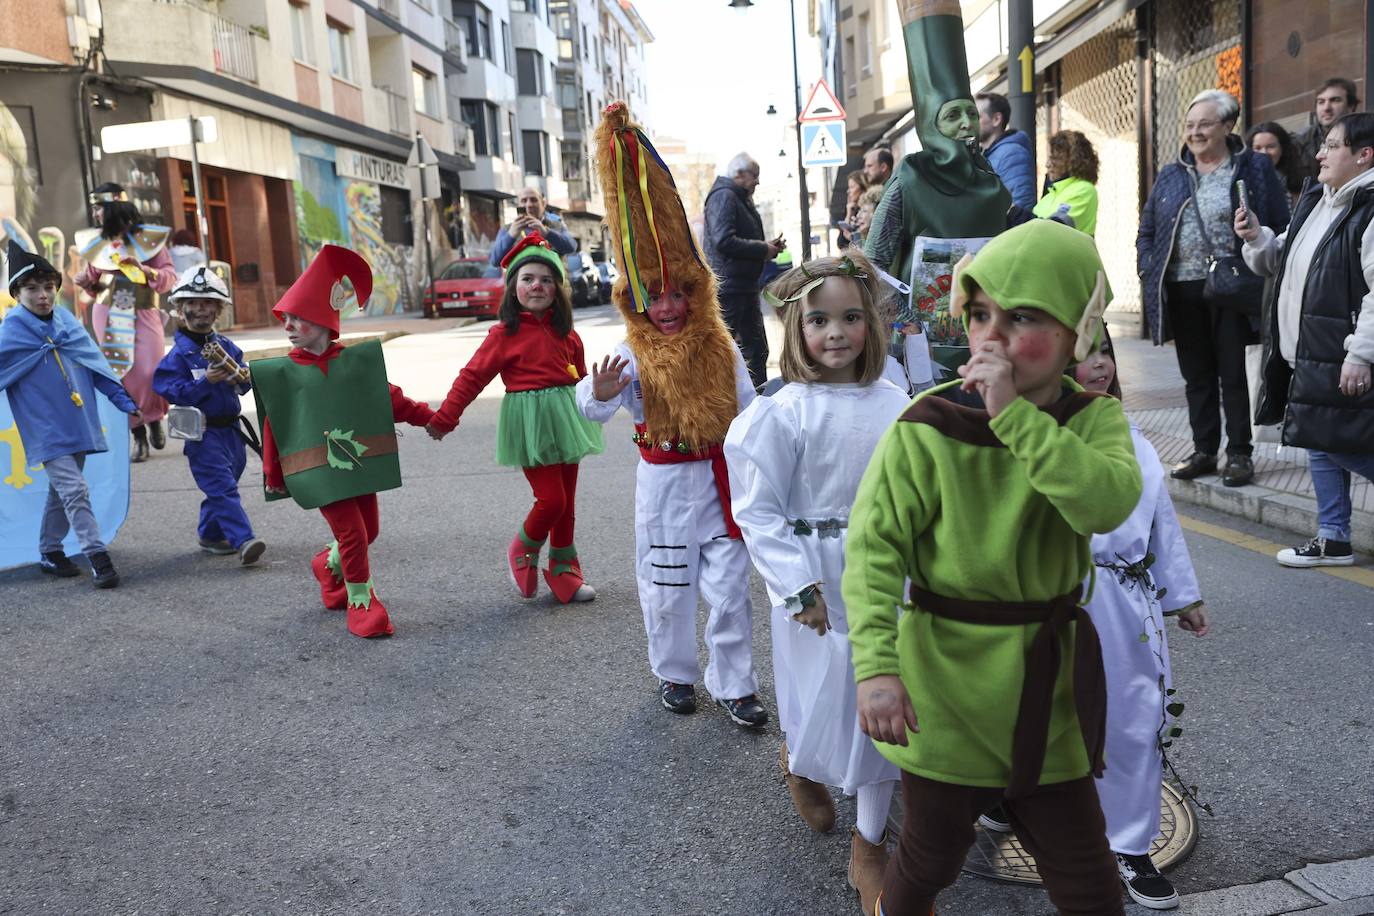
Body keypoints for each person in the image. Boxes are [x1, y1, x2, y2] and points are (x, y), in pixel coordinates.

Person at [844, 219, 1143, 916]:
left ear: (1077, 331)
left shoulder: (1092, 420)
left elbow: (1103, 503)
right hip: (945, 686)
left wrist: (1014, 416)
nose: (992, 336)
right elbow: (873, 548)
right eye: (980, 313)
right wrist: (877, 668)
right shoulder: (928, 421)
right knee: (927, 857)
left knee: (1088, 879)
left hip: (1048, 690)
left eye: (1025, 316)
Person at [982, 328, 1209, 911]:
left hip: (1125, 599)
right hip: (1057, 597)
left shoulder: (1135, 440)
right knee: (1035, 708)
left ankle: (1131, 844)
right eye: (1083, 357)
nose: (1099, 366)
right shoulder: (1033, 436)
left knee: (1134, 716)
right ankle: (1009, 795)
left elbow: (1161, 522)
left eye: (1104, 352)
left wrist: (1180, 596)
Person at [727, 251, 909, 916]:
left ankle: (870, 843)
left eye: (851, 317)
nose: (836, 332)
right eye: (820, 320)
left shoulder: (897, 403)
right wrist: (795, 585)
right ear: (796, 330)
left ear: (872, 324)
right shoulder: (784, 412)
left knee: (880, 710)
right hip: (815, 583)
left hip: (885, 572)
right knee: (817, 698)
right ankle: (800, 760)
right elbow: (758, 507)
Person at [578, 101, 768, 728]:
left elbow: (749, 407)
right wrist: (603, 393)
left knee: (730, 588)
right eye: (651, 296)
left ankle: (735, 682)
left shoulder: (719, 344)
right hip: (662, 489)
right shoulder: (629, 352)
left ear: (695, 290)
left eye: (677, 292)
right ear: (633, 300)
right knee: (666, 590)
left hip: (718, 484)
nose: (666, 307)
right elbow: (588, 403)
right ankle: (676, 674)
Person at [253, 245, 435, 639]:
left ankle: (328, 564)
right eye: (287, 318)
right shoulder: (283, 374)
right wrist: (273, 472)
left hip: (357, 462)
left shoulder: (352, 364)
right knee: (353, 533)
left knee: (369, 531)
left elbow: (388, 398)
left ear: (323, 321)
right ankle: (360, 601)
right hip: (318, 469)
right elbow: (276, 425)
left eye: (299, 318)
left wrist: (428, 417)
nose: (289, 325)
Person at [426, 233, 604, 604]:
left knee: (567, 504)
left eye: (546, 279)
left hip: (568, 421)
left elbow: (582, 380)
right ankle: (523, 546)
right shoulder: (503, 334)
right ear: (513, 288)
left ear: (558, 288)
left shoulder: (568, 334)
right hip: (531, 425)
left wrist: (600, 399)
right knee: (551, 500)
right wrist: (446, 417)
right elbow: (472, 376)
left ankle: (563, 570)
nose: (537, 285)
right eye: (527, 279)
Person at [1238, 112, 1374, 568]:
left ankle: (1333, 534)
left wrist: (1361, 353)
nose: (1319, 153)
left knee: (1343, 442)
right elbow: (1285, 262)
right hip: (1309, 350)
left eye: (1332, 145)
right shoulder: (1320, 199)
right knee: (1318, 437)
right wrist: (1258, 238)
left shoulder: (1368, 207)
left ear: (1363, 155)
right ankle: (1332, 535)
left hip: (1343, 352)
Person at [1136, 88, 1290, 488]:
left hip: (1232, 286)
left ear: (1227, 125)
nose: (1196, 132)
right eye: (1190, 125)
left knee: (1233, 373)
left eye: (1205, 124)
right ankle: (1204, 450)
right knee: (1196, 374)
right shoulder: (1172, 173)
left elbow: (1278, 221)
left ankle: (1239, 452)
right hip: (1182, 287)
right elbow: (1148, 229)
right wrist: (1146, 266)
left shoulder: (1252, 167)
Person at [864, 0, 1010, 375]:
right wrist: (906, 324)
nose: (966, 124)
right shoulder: (910, 178)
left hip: (989, 340)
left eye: (970, 114)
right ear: (931, 122)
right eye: (951, 115)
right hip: (922, 350)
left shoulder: (991, 180)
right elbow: (873, 265)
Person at [1, 241, 140, 588]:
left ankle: (49, 550)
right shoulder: (11, 333)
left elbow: (95, 365)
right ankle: (98, 557)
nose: (43, 295)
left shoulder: (67, 325)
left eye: (48, 287)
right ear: (17, 292)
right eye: (32, 288)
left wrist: (120, 397)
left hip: (77, 420)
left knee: (62, 491)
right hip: (45, 428)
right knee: (75, 489)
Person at [153, 266, 265, 567]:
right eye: (192, 303)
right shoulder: (176, 356)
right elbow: (169, 389)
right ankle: (244, 540)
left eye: (207, 304)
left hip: (231, 432)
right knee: (221, 486)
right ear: (180, 309)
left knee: (226, 482)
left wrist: (239, 379)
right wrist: (206, 382)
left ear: (218, 310)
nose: (200, 309)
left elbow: (244, 384)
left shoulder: (228, 347)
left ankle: (210, 534)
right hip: (202, 434)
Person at [74, 190, 174, 463]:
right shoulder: (99, 244)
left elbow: (169, 277)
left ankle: (154, 418)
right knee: (121, 374)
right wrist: (87, 283)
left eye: (99, 208)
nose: (95, 214)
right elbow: (95, 283)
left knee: (149, 370)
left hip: (143, 311)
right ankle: (138, 435)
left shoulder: (150, 242)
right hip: (108, 313)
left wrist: (147, 271)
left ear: (114, 209)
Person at [704, 152, 785, 390]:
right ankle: (733, 407)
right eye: (754, 175)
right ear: (739, 174)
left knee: (755, 350)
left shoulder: (734, 196)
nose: (758, 181)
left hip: (740, 286)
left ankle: (754, 405)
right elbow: (723, 240)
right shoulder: (726, 196)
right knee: (738, 351)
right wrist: (763, 249)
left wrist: (767, 247)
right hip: (731, 287)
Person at [487, 186, 577, 268]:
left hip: (552, 283)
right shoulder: (508, 229)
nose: (529, 205)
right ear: (518, 205)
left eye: (534, 200)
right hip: (521, 284)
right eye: (524, 201)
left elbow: (571, 248)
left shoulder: (556, 225)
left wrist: (546, 233)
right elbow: (495, 261)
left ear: (543, 203)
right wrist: (511, 235)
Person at [1033, 130, 1100, 237]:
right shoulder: (1050, 195)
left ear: (1072, 161)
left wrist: (1017, 215)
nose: (1047, 164)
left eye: (1054, 158)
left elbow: (1054, 230)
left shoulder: (1084, 190)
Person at [977, 91, 1036, 210]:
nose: (970, 122)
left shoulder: (1012, 154)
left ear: (996, 119)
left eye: (977, 116)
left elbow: (1021, 205)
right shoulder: (985, 154)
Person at [1295, 78, 1360, 179]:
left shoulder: (1366, 137)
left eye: (1335, 100)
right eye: (1321, 102)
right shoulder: (1299, 142)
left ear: (1351, 106)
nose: (1326, 108)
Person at [1246, 121, 1308, 205]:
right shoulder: (1244, 183)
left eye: (1271, 147)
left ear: (1283, 148)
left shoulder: (1301, 182)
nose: (1264, 153)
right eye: (1258, 148)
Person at [838, 171, 872, 248]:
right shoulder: (854, 210)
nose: (848, 191)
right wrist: (849, 214)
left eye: (852, 187)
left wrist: (853, 238)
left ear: (863, 188)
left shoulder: (869, 209)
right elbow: (841, 243)